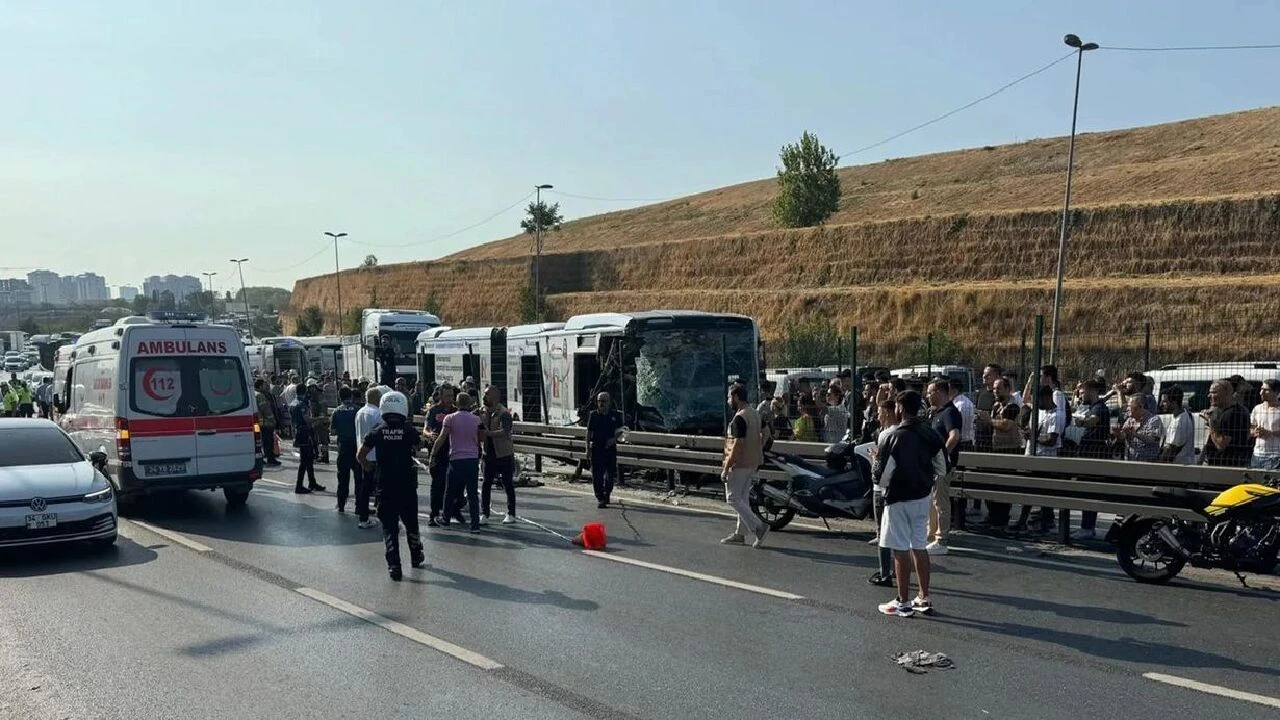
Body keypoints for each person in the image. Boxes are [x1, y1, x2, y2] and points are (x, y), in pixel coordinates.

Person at [875, 390, 945, 618]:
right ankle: (924, 596)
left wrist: (874, 460)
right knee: (919, 545)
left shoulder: (891, 436)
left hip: (897, 498)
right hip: (922, 496)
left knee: (900, 549)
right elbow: (943, 467)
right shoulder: (930, 433)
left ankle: (902, 601)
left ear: (900, 407)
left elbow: (881, 476)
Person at [357, 390, 424, 581]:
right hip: (407, 486)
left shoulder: (377, 430)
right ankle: (416, 556)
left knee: (389, 528)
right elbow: (420, 445)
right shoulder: (409, 430)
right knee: (411, 524)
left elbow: (361, 455)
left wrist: (369, 467)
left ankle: (394, 565)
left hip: (384, 486)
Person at [720, 384, 769, 548]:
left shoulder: (739, 418)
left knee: (732, 498)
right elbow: (767, 432)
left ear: (736, 397)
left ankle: (758, 526)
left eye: (729, 397)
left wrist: (727, 467)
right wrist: (757, 447)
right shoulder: (755, 413)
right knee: (743, 499)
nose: (728, 401)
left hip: (739, 464)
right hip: (753, 462)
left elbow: (737, 444)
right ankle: (740, 534)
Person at [432, 392, 485, 532]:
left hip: (456, 459)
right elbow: (482, 438)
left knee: (449, 491)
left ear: (456, 403)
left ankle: (446, 520)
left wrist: (433, 455)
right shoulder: (476, 420)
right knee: (472, 493)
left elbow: (442, 438)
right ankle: (475, 525)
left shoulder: (449, 419)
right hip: (472, 460)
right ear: (469, 404)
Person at [925, 379, 960, 555]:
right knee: (932, 501)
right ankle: (931, 536)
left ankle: (941, 539)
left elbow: (954, 436)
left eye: (930, 392)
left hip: (942, 467)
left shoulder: (950, 413)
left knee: (940, 501)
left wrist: (942, 457)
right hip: (934, 466)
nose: (928, 395)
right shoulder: (937, 413)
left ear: (939, 392)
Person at [867, 399, 900, 587]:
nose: (877, 416)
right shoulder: (903, 432)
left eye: (879, 412)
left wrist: (874, 457)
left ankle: (884, 572)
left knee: (882, 531)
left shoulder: (885, 434)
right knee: (897, 532)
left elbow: (880, 465)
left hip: (881, 488)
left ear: (887, 412)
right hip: (897, 487)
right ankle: (898, 568)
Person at [480, 385, 518, 524]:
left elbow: (505, 431)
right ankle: (484, 513)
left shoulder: (504, 413)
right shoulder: (481, 411)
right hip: (488, 453)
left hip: (504, 453)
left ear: (496, 397)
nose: (484, 397)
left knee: (508, 484)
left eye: (487, 394)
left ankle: (511, 513)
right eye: (484, 394)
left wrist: (489, 434)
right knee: (486, 484)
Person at [424, 385, 461, 526]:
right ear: (440, 396)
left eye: (452, 396)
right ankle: (433, 514)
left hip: (453, 452)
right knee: (437, 484)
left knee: (455, 485)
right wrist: (429, 435)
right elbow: (425, 430)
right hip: (437, 452)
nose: (450, 399)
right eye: (447, 396)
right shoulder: (434, 410)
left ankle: (454, 511)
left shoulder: (456, 411)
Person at [585, 392, 625, 508]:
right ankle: (600, 497)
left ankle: (607, 493)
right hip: (597, 448)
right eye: (599, 401)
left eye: (604, 401)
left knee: (610, 475)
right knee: (597, 475)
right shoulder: (593, 415)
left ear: (609, 402)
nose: (601, 404)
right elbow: (588, 432)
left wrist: (614, 439)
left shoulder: (615, 415)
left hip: (610, 448)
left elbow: (622, 430)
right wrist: (587, 449)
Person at [352, 386, 384, 528]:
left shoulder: (360, 412)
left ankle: (363, 515)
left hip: (363, 453)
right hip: (375, 455)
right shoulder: (377, 413)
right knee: (380, 487)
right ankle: (383, 516)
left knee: (365, 486)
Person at [1201, 379, 1251, 467]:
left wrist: (1210, 422)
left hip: (1228, 466)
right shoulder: (1218, 410)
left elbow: (1221, 444)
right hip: (1216, 464)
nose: (1209, 396)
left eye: (1214, 392)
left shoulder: (1235, 413)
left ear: (1227, 393)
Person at [331, 386, 363, 514]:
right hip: (356, 448)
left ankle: (341, 504)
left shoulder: (337, 411)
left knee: (342, 478)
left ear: (340, 397)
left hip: (343, 448)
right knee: (359, 479)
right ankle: (359, 506)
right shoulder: (358, 410)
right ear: (351, 396)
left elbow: (332, 431)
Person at [289, 384, 325, 494]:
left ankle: (312, 482)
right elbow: (307, 420)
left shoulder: (293, 403)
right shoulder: (301, 405)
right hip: (304, 433)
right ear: (304, 392)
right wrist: (320, 418)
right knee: (305, 461)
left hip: (299, 432)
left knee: (309, 459)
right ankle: (299, 485)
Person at [1159, 385, 1196, 466]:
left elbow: (1171, 451)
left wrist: (1158, 463)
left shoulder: (1180, 422)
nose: (1161, 404)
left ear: (1174, 403)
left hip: (1178, 467)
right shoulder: (1181, 414)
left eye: (1165, 401)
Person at [1249, 379, 1280, 470]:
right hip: (1257, 455)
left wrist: (1270, 433)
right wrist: (1255, 432)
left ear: (1276, 392)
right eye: (1261, 389)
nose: (1261, 392)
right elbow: (1250, 428)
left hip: (1275, 456)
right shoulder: (1257, 409)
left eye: (1266, 390)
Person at [254, 379, 281, 466]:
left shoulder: (253, 393)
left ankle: (261, 458)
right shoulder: (260, 395)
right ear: (260, 386)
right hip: (265, 423)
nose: (267, 387)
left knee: (259, 441)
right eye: (265, 385)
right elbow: (265, 409)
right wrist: (273, 420)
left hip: (256, 423)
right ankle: (270, 458)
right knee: (268, 441)